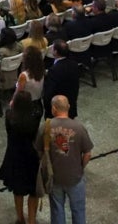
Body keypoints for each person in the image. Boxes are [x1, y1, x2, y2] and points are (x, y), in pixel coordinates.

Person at [40, 95, 92, 224]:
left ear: (53, 109)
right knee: (78, 211)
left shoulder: (45, 128)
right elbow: (88, 153)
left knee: (57, 210)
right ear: (68, 107)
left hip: (55, 177)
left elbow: (39, 151)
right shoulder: (79, 127)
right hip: (75, 177)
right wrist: (80, 167)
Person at [0, 90, 44, 224]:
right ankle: (32, 220)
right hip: (31, 155)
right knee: (32, 190)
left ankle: (20, 218)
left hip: (14, 155)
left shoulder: (10, 117)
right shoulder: (35, 116)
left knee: (18, 190)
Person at [43, 40, 81, 118]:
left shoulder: (54, 70)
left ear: (56, 52)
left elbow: (49, 92)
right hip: (70, 101)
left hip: (58, 107)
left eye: (52, 48)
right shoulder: (74, 64)